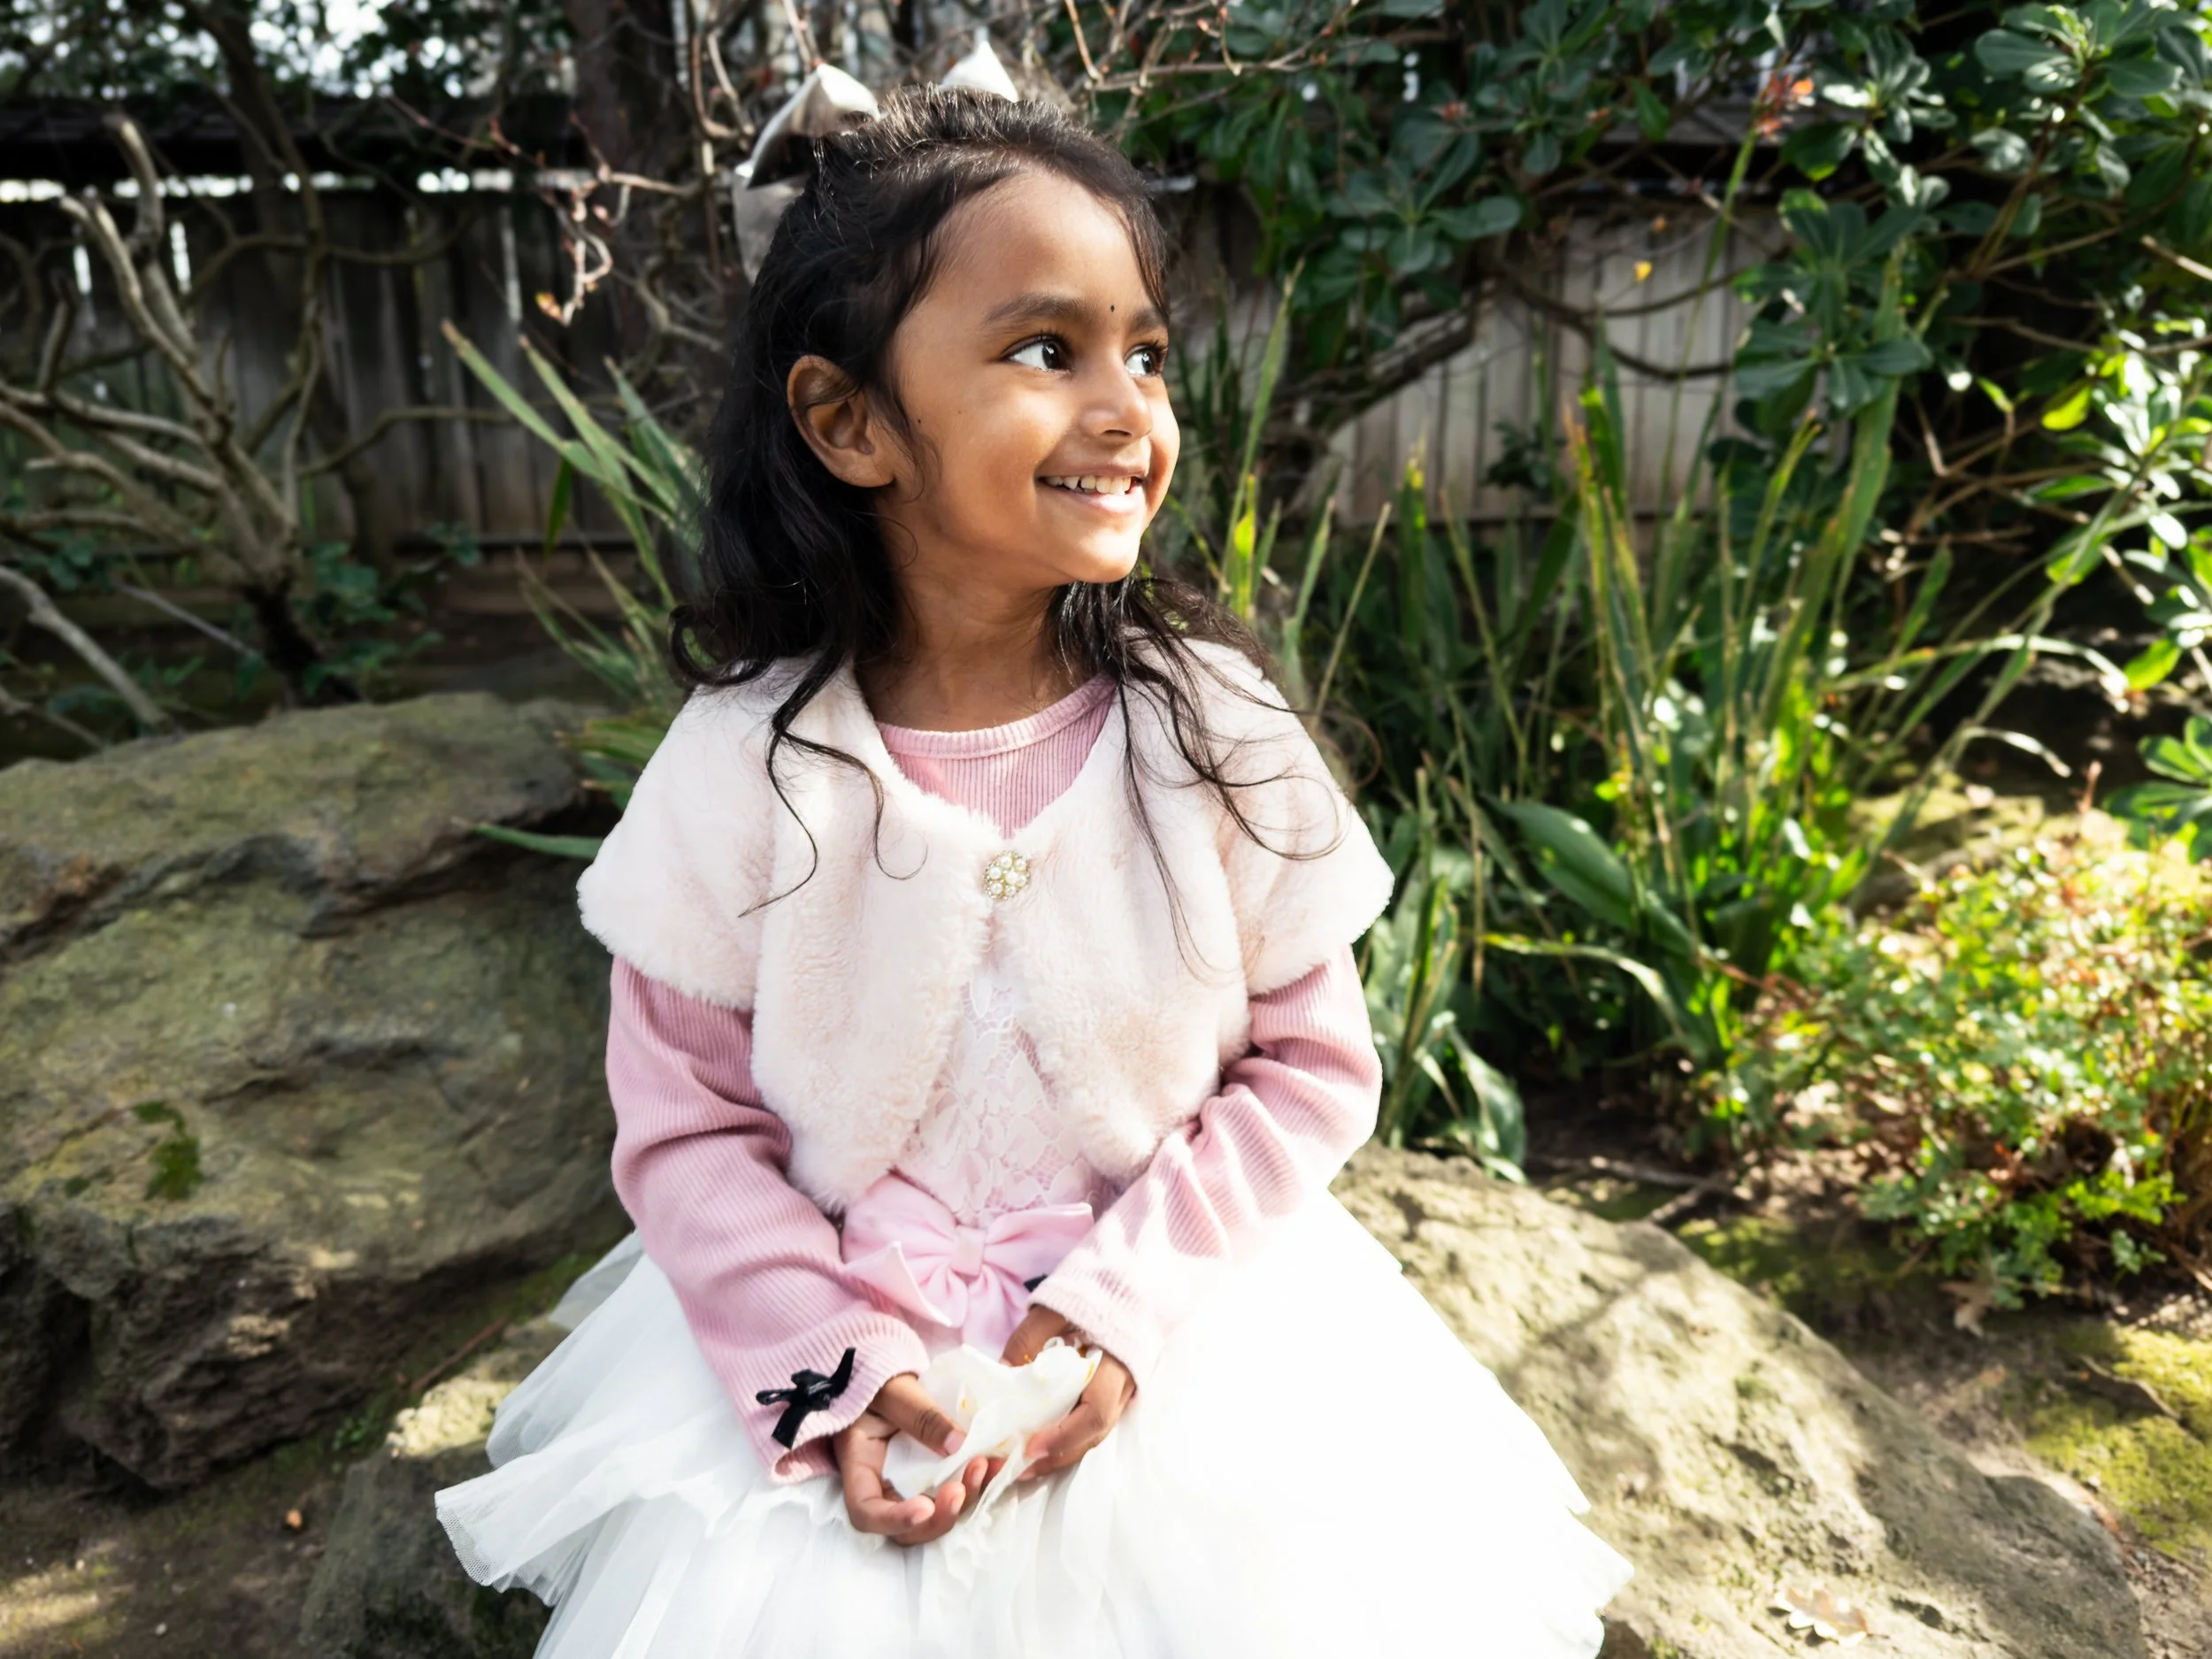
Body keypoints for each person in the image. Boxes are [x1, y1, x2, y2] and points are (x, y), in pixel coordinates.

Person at [435, 86, 1633, 1658]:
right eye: (1043, 351)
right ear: (848, 420)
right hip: (834, 1322)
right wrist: (839, 1369)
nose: (1128, 403)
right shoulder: (744, 765)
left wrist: (1112, 1312)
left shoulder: (1205, 726)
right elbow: (684, 1127)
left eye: (1143, 350)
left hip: (1183, 1315)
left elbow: (1314, 1062)